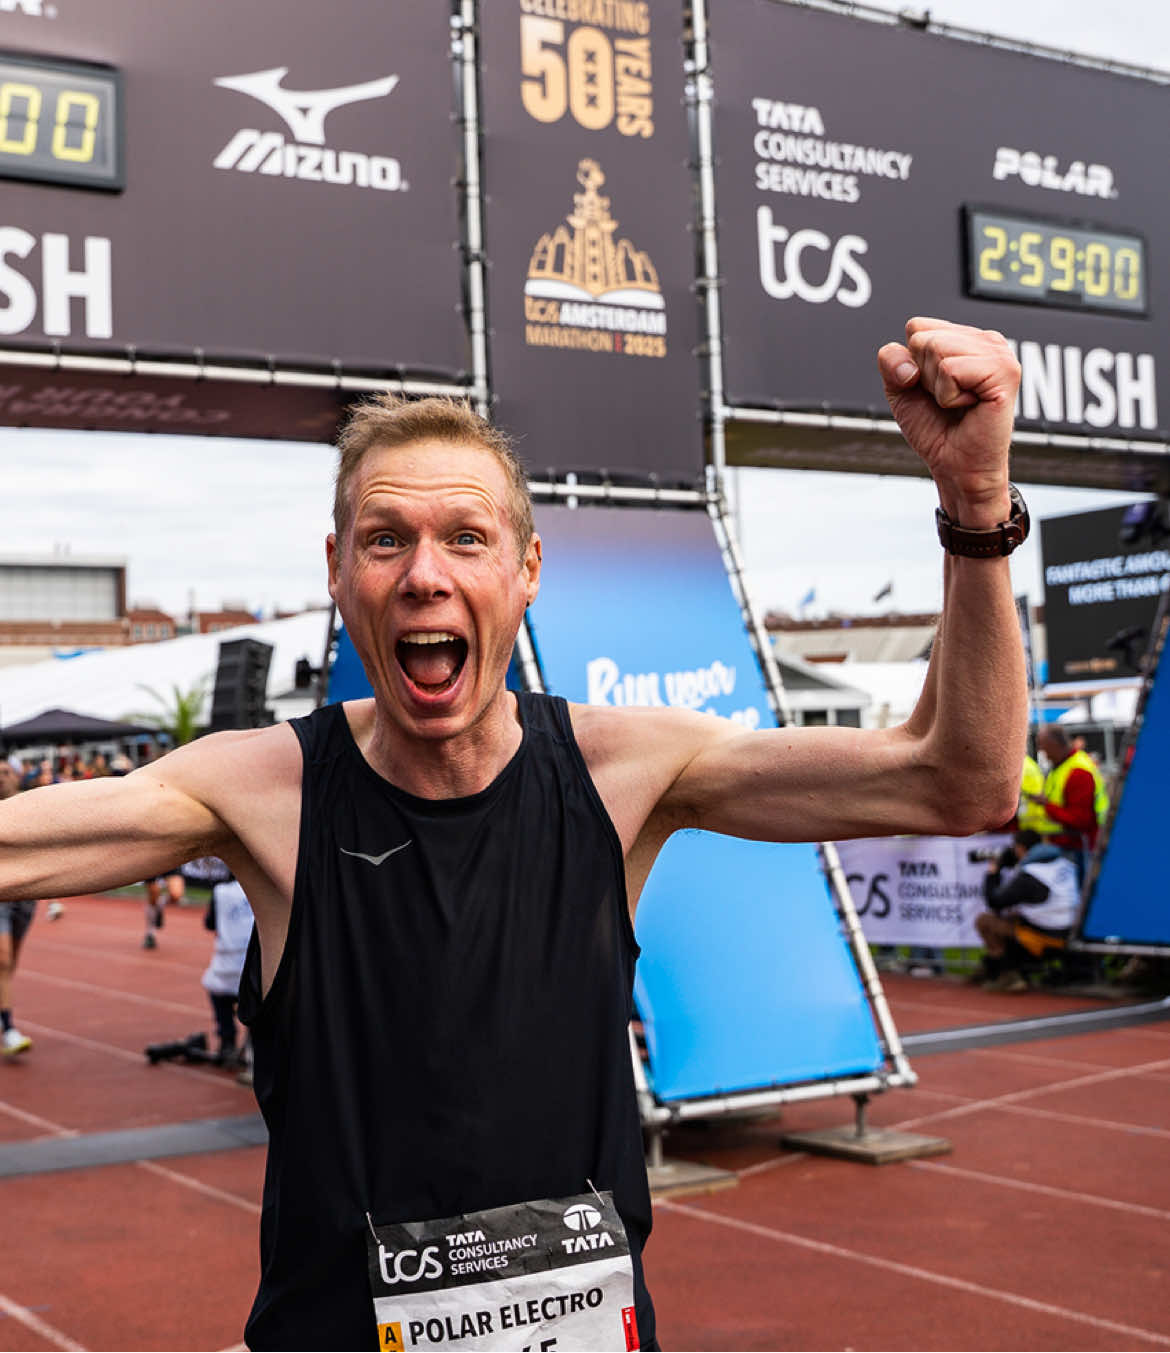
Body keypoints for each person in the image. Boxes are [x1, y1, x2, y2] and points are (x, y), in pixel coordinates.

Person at [0, 318, 1027, 1350]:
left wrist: (976, 504)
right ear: (338, 568)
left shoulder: (624, 770)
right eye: (387, 537)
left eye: (466, 537)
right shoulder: (265, 789)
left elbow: (961, 781)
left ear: (527, 568)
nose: (425, 575)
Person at [973, 828, 1081, 992]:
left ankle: (1007, 974)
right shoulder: (1063, 862)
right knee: (1013, 918)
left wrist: (993, 873)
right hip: (1071, 929)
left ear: (1021, 849)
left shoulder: (1032, 874)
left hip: (1047, 936)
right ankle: (996, 968)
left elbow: (995, 901)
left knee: (984, 921)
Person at [1026, 726, 1109, 872]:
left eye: (1042, 746)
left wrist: (1046, 805)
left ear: (1055, 745)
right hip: (1069, 847)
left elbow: (1079, 820)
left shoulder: (1078, 772)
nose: (1041, 751)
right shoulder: (1061, 767)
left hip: (1078, 849)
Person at [201, 866, 255, 1068]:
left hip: (227, 968)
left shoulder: (220, 892)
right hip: (255, 968)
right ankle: (252, 1041)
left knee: (213, 986)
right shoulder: (260, 889)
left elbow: (209, 924)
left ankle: (227, 1040)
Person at [0, 761, 35, 1056]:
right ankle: (9, 1029)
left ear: (17, 775)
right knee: (3, 957)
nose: (0, 778)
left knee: (10, 963)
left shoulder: (31, 806)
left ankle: (3, 1011)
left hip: (27, 895)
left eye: (5, 772)